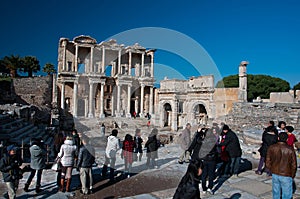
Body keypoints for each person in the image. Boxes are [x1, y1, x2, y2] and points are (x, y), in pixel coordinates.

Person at [266, 132, 297, 199]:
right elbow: (294, 165)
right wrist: (293, 175)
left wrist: (271, 170)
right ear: (287, 139)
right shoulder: (290, 149)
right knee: (286, 194)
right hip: (286, 174)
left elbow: (268, 162)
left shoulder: (271, 147)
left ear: (278, 138)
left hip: (275, 173)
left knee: (276, 192)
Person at [200, 129, 218, 195]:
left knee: (204, 175)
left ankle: (204, 189)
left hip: (204, 160)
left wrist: (199, 133)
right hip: (212, 160)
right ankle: (210, 188)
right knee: (211, 175)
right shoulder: (214, 140)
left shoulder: (203, 141)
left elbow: (198, 141)